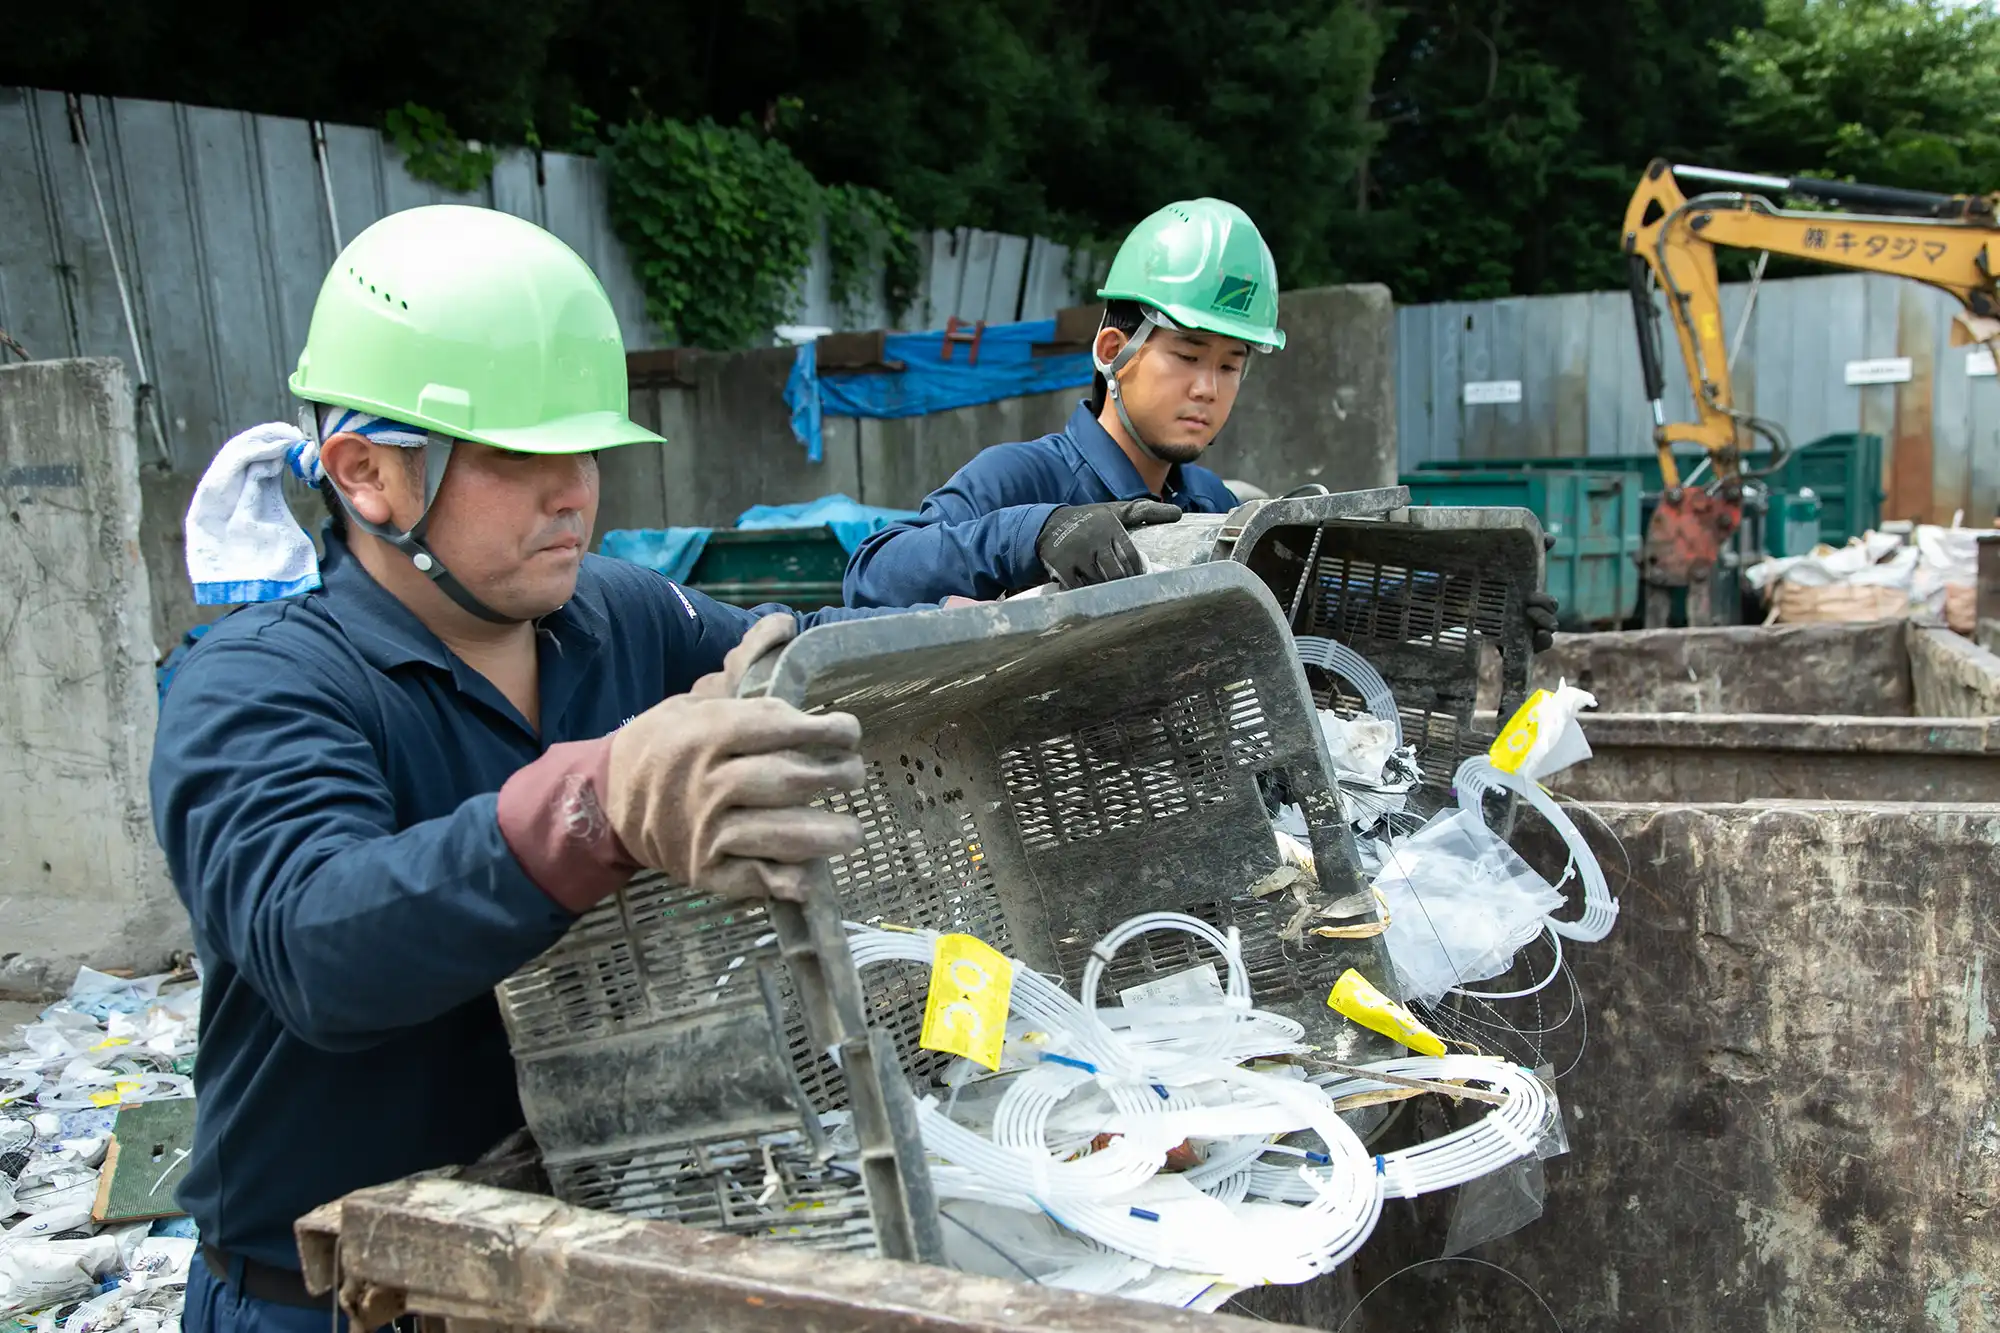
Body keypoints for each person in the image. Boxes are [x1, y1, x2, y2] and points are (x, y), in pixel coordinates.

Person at [153, 205, 923, 1332]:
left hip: (572, 1265)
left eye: (587, 449)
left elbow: (793, 664)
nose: (575, 491)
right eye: (519, 455)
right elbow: (316, 944)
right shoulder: (260, 684)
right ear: (368, 474)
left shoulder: (608, 612)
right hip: (339, 1297)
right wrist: (599, 803)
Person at [843, 198, 1560, 649]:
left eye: (1230, 365)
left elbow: (1313, 615)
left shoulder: (1215, 508)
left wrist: (1462, 603)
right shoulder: (1024, 477)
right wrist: (1037, 531)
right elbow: (872, 576)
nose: (1207, 387)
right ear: (1111, 352)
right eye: (1187, 355)